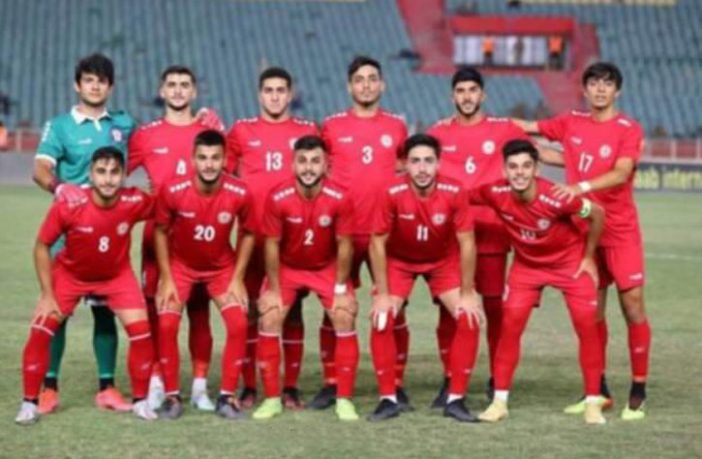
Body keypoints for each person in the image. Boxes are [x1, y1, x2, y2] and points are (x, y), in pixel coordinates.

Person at [512, 62, 651, 420]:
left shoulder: (628, 128)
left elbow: (621, 172)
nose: (600, 89)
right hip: (582, 231)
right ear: (585, 89)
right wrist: (488, 126)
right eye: (594, 83)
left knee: (633, 305)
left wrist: (580, 186)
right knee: (591, 312)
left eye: (607, 83)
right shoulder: (570, 121)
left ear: (617, 91)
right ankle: (597, 391)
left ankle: (638, 389)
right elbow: (528, 128)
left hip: (619, 230)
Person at [16, 147, 157, 425]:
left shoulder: (135, 200)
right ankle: (29, 403)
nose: (108, 179)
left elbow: (169, 206)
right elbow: (42, 246)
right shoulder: (71, 204)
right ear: (91, 175)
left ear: (124, 175)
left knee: (141, 332)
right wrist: (47, 294)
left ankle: (141, 402)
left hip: (116, 277)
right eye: (101, 172)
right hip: (71, 276)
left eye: (114, 172)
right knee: (41, 329)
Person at [32, 53, 136, 414]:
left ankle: (107, 387)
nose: (95, 86)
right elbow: (40, 168)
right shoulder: (60, 126)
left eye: (101, 80)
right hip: (68, 236)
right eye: (88, 80)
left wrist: (200, 121)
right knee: (56, 312)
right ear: (77, 85)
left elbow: (156, 144)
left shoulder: (123, 123)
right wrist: (60, 187)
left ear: (111, 86)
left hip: (108, 236)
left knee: (105, 311)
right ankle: (49, 387)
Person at [475, 139, 606, 424]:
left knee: (587, 326)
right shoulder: (495, 192)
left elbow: (597, 214)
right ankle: (499, 402)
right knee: (509, 328)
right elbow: (463, 198)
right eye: (513, 167)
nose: (519, 173)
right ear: (504, 170)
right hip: (527, 268)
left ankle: (593, 402)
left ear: (536, 169)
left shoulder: (558, 197)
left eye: (526, 166)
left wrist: (588, 257)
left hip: (568, 265)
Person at [427, 67, 528, 406]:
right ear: (452, 96)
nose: (467, 96)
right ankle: (450, 379)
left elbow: (536, 156)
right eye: (461, 91)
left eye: (472, 90)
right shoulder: (437, 133)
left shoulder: (504, 130)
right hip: (449, 238)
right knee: (449, 312)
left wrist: (582, 172)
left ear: (482, 95)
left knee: (495, 309)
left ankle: (498, 379)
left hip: (491, 234)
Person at [128, 65, 224, 411]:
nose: (179, 90)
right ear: (162, 91)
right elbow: (113, 172)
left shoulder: (209, 131)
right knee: (156, 311)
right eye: (172, 84)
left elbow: (229, 173)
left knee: (199, 312)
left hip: (200, 237)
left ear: (194, 91)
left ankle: (199, 387)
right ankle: (157, 381)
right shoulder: (145, 135)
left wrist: (221, 131)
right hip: (158, 237)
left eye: (185, 85)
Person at [368, 134, 483, 423]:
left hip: (443, 261)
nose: (422, 168)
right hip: (400, 262)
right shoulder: (391, 191)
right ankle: (388, 399)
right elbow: (377, 242)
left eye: (428, 161)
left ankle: (456, 399)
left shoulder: (455, 191)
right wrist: (382, 294)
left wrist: (468, 292)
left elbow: (467, 242)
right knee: (381, 318)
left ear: (438, 164)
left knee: (468, 317)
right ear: (405, 165)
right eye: (415, 161)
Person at [318, 55, 408, 410]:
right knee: (334, 307)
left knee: (394, 307)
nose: (366, 85)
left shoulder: (396, 127)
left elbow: (407, 165)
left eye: (372, 79)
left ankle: (396, 383)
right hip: (342, 233)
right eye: (359, 79)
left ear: (382, 85)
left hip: (383, 233)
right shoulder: (331, 126)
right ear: (349, 86)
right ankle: (332, 382)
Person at [226, 67, 317, 410]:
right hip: (252, 237)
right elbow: (222, 173)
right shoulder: (241, 131)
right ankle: (250, 386)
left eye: (281, 90)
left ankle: (290, 387)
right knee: (251, 311)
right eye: (269, 90)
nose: (275, 96)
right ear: (259, 94)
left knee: (291, 313)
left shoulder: (307, 130)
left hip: (292, 240)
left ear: (290, 94)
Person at [253, 135, 359, 421]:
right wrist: (273, 289)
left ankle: (344, 400)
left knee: (344, 314)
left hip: (326, 267)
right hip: (288, 267)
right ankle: (272, 399)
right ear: (292, 165)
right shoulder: (277, 197)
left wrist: (340, 288)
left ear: (326, 165)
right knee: (270, 315)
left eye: (315, 161)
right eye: (302, 161)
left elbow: (345, 244)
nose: (308, 168)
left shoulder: (341, 196)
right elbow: (272, 245)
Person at [153, 130, 255, 420]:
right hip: (181, 267)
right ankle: (172, 396)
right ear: (192, 160)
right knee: (167, 323)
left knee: (238, 323)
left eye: (215, 158)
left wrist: (237, 278)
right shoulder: (173, 190)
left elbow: (248, 233)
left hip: (221, 269)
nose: (209, 164)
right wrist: (167, 278)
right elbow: (160, 231)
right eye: (203, 157)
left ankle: (226, 397)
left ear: (225, 160)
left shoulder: (240, 192)